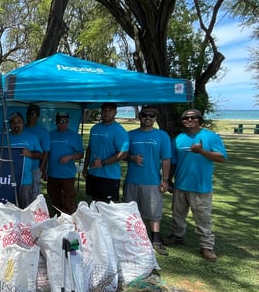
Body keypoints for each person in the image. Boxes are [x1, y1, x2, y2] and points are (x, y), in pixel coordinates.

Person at [164, 109, 228, 262]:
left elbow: (222, 157)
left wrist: (201, 151)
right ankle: (177, 236)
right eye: (186, 118)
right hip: (181, 184)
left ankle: (206, 246)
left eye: (193, 117)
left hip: (201, 186)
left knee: (203, 218)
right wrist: (169, 179)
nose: (189, 120)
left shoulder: (210, 137)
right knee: (178, 214)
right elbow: (173, 162)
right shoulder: (178, 139)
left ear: (200, 120)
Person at [123, 105, 172, 256]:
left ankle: (156, 239)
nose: (148, 118)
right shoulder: (130, 135)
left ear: (155, 118)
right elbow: (122, 155)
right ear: (140, 117)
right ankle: (130, 238)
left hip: (152, 181)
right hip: (131, 180)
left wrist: (165, 180)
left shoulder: (162, 136)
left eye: (151, 116)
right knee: (129, 212)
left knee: (154, 212)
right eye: (145, 115)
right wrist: (131, 158)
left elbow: (166, 159)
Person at [83, 102, 129, 203]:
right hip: (93, 173)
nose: (106, 113)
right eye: (104, 110)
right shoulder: (95, 128)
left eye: (110, 111)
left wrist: (103, 163)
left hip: (109, 176)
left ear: (115, 112)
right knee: (94, 203)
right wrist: (85, 167)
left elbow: (123, 153)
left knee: (107, 208)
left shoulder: (119, 131)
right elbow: (90, 149)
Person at [44, 111, 83, 215]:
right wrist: (44, 171)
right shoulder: (49, 135)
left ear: (68, 122)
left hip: (68, 174)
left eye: (66, 121)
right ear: (56, 122)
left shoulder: (75, 136)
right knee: (54, 196)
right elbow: (45, 154)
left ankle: (70, 218)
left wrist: (69, 157)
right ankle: (59, 217)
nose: (63, 123)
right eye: (60, 121)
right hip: (53, 173)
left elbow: (80, 154)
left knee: (69, 198)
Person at [8, 112, 43, 208]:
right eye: (13, 122)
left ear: (23, 123)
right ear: (10, 124)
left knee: (24, 208)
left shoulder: (32, 137)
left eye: (18, 122)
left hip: (25, 180)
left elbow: (40, 154)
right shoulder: (4, 138)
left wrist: (30, 154)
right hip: (7, 179)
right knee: (9, 207)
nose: (16, 124)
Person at [24, 104, 50, 198]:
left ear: (38, 116)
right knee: (21, 194)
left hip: (35, 168)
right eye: (28, 114)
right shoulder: (21, 128)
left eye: (33, 114)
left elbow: (46, 152)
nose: (30, 116)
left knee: (34, 194)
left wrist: (41, 169)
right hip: (21, 169)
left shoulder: (43, 132)